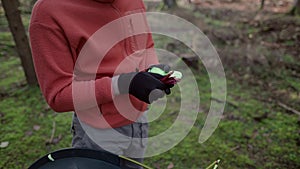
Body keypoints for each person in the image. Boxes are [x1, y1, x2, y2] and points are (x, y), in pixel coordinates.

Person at [29, 0, 173, 168]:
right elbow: (58, 94)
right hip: (98, 132)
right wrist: (125, 84)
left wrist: (153, 70)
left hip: (139, 119)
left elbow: (145, 44)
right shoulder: (48, 12)